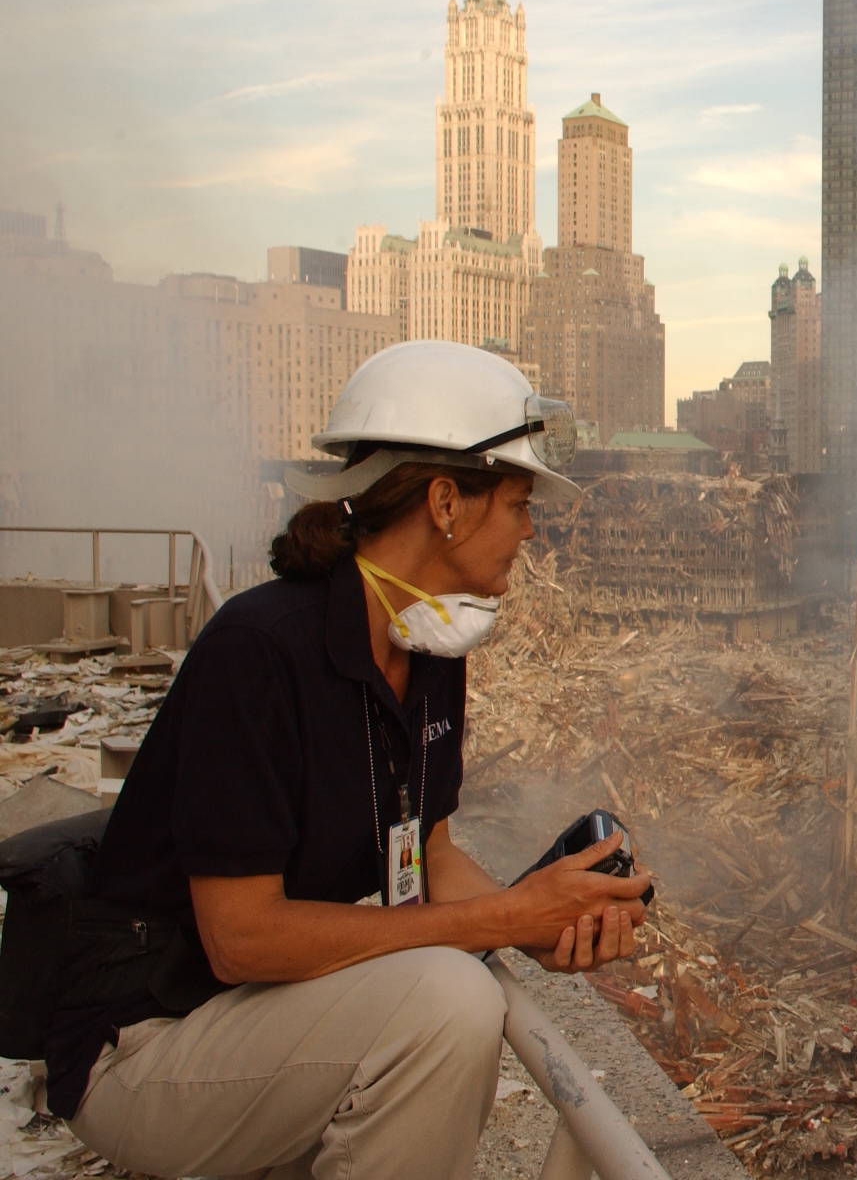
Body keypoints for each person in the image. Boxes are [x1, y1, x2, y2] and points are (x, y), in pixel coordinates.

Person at [48, 341, 652, 1179]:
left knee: (450, 1001)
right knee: (449, 1005)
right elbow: (242, 939)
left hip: (255, 1015)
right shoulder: (259, 653)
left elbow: (428, 856)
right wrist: (500, 924)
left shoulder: (433, 650)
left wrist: (542, 923)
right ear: (447, 502)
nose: (529, 529)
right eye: (517, 503)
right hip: (149, 1040)